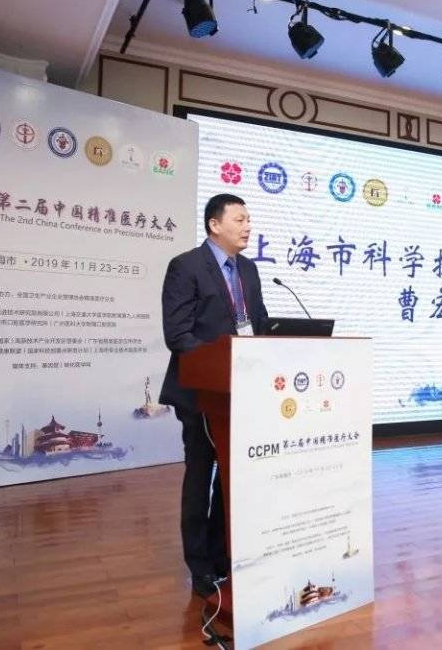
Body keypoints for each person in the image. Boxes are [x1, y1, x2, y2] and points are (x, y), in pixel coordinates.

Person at [159, 193, 269, 597]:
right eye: (240, 219)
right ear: (214, 224)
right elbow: (178, 335)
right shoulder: (186, 266)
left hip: (240, 393)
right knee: (200, 474)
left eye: (249, 219)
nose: (248, 226)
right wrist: (217, 364)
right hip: (200, 392)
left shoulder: (249, 270)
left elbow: (257, 324)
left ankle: (223, 554)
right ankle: (199, 565)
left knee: (231, 475)